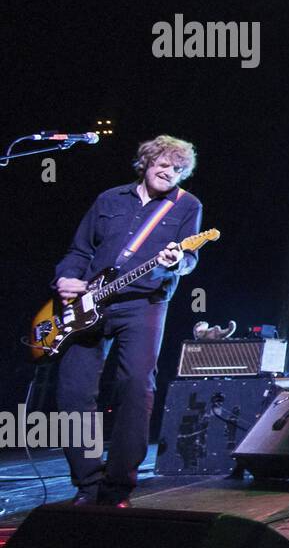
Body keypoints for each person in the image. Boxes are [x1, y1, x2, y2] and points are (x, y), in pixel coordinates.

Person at [53, 135, 203, 508]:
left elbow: (189, 258)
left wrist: (176, 262)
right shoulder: (109, 199)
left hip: (144, 303)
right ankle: (87, 484)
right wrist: (66, 277)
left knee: (136, 386)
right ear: (146, 163)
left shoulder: (187, 206)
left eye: (179, 168)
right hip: (88, 303)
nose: (170, 172)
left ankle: (118, 487)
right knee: (73, 392)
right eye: (164, 164)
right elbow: (79, 250)